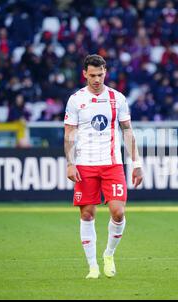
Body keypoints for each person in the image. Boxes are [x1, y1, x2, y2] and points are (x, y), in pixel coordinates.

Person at [64, 54, 143, 279]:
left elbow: (127, 131)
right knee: (87, 214)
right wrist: (70, 163)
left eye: (100, 75)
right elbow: (69, 134)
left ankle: (108, 255)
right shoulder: (76, 99)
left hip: (112, 164)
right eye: (92, 75)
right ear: (84, 74)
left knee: (118, 212)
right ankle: (92, 266)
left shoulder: (117, 98)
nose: (96, 79)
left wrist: (136, 163)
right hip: (85, 164)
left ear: (105, 73)